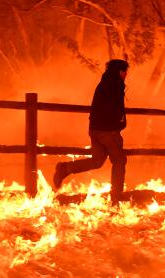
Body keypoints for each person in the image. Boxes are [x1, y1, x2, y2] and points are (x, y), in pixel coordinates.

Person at [53, 59, 129, 203]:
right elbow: (114, 109)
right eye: (125, 72)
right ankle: (116, 196)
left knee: (97, 161)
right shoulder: (115, 85)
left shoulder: (104, 83)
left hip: (95, 129)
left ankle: (65, 168)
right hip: (108, 130)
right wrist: (118, 124)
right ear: (119, 71)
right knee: (119, 160)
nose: (126, 75)